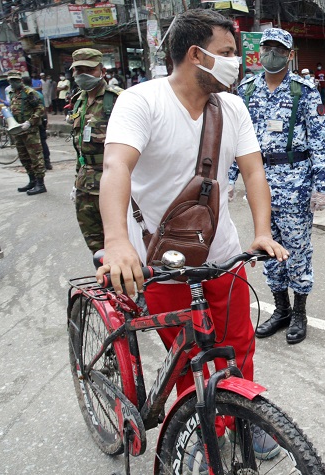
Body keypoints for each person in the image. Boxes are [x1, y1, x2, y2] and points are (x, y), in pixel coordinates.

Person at [97, 8, 288, 461]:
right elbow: (115, 167)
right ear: (196, 55)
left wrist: (261, 231)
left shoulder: (233, 107)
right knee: (189, 359)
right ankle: (204, 432)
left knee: (238, 346)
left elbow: (254, 170)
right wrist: (117, 242)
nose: (237, 62)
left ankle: (240, 416)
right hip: (159, 257)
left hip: (218, 251)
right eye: (227, 53)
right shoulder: (140, 101)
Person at [229, 27, 325, 345]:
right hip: (259, 185)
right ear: (259, 53)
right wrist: (230, 179)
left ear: (290, 55)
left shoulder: (304, 90)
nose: (271, 54)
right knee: (266, 248)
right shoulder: (246, 90)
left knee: (298, 251)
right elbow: (237, 140)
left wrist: (322, 184)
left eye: (278, 49)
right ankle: (281, 309)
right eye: (266, 48)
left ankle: (300, 312)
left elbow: (319, 141)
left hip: (296, 185)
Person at [68, 48, 123, 254]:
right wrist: (76, 181)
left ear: (101, 70)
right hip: (84, 186)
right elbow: (79, 147)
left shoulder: (117, 99)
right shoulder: (78, 102)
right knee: (96, 248)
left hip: (111, 185)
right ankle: (107, 284)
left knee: (122, 243)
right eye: (78, 70)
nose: (82, 75)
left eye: (88, 70)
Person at [7, 70, 47, 195]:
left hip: (30, 131)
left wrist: (30, 122)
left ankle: (40, 184)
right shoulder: (12, 93)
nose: (13, 83)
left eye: (15, 80)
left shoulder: (29, 93)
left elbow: (40, 108)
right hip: (17, 130)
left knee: (35, 157)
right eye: (11, 81)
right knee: (24, 157)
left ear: (21, 80)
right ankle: (32, 181)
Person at [24, 75, 52, 172]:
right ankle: (47, 162)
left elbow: (40, 109)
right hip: (41, 120)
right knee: (43, 142)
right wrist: (46, 120)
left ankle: (41, 164)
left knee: (36, 144)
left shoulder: (30, 94)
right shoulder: (38, 94)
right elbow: (44, 109)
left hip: (34, 123)